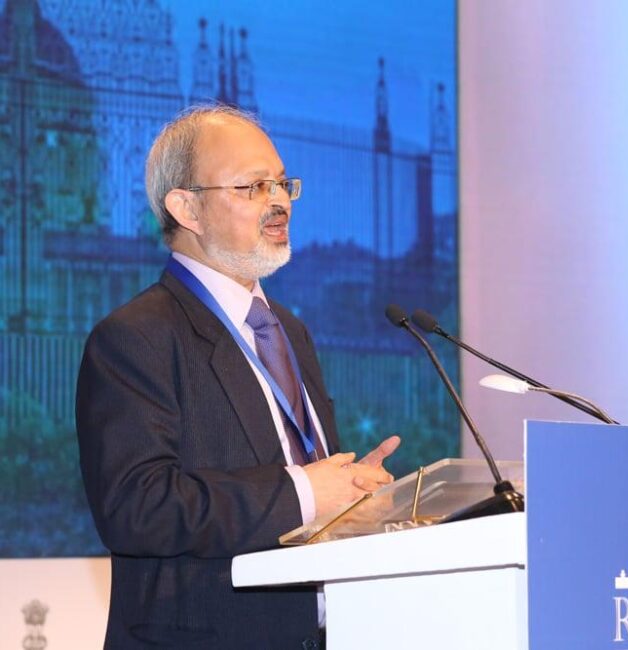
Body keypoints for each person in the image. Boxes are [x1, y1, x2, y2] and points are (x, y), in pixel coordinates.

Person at [76, 105, 401, 649]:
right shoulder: (135, 337)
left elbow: (301, 478)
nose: (278, 201)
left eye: (282, 183)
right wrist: (303, 491)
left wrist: (349, 495)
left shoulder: (288, 330)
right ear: (187, 208)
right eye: (253, 186)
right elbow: (138, 507)